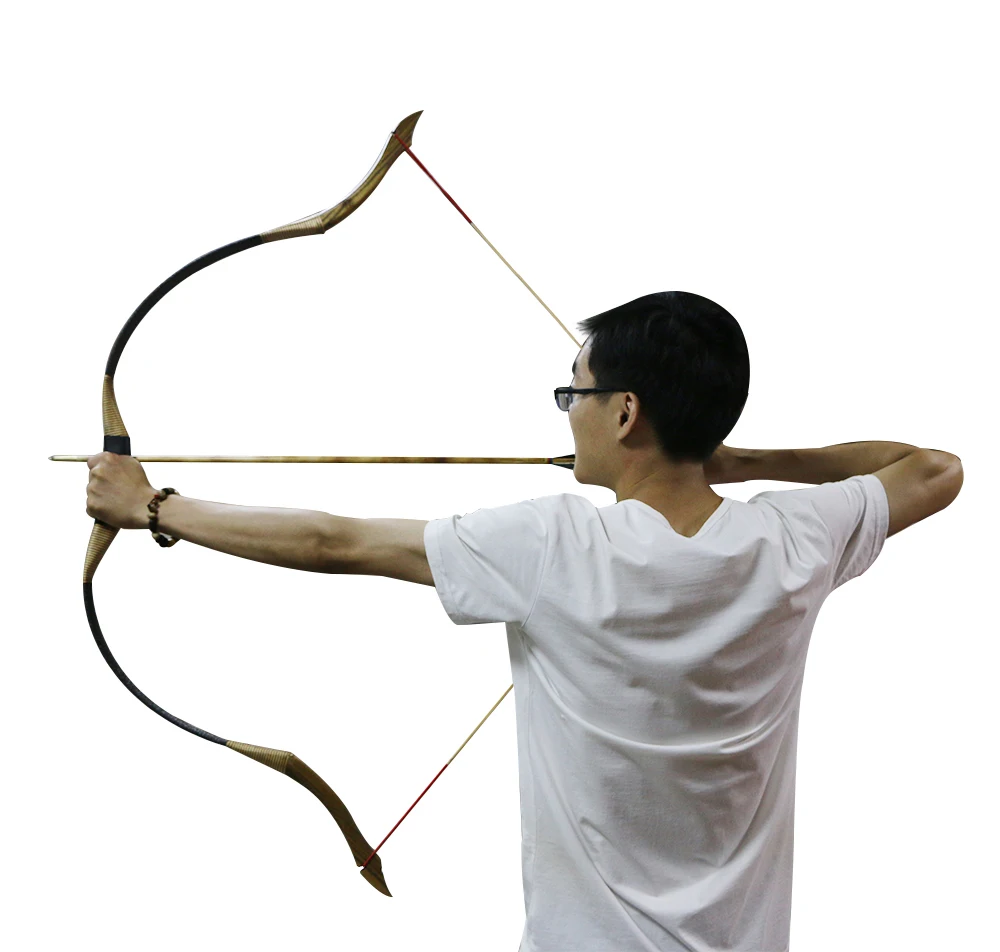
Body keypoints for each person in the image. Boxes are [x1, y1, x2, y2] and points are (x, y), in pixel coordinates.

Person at [86, 291, 962, 952]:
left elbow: (334, 541)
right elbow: (932, 468)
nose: (569, 411)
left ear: (626, 412)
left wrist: (153, 506)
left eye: (574, 393)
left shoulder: (555, 544)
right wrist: (730, 459)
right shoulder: (795, 538)